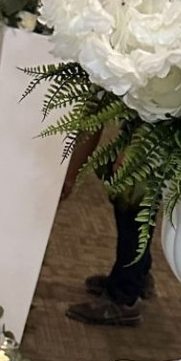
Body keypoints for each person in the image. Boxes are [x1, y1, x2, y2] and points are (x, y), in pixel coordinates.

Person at [61, 131, 155, 327]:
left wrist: (135, 147)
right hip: (147, 125)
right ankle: (136, 275)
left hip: (153, 129)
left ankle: (124, 298)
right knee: (138, 201)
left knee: (133, 202)